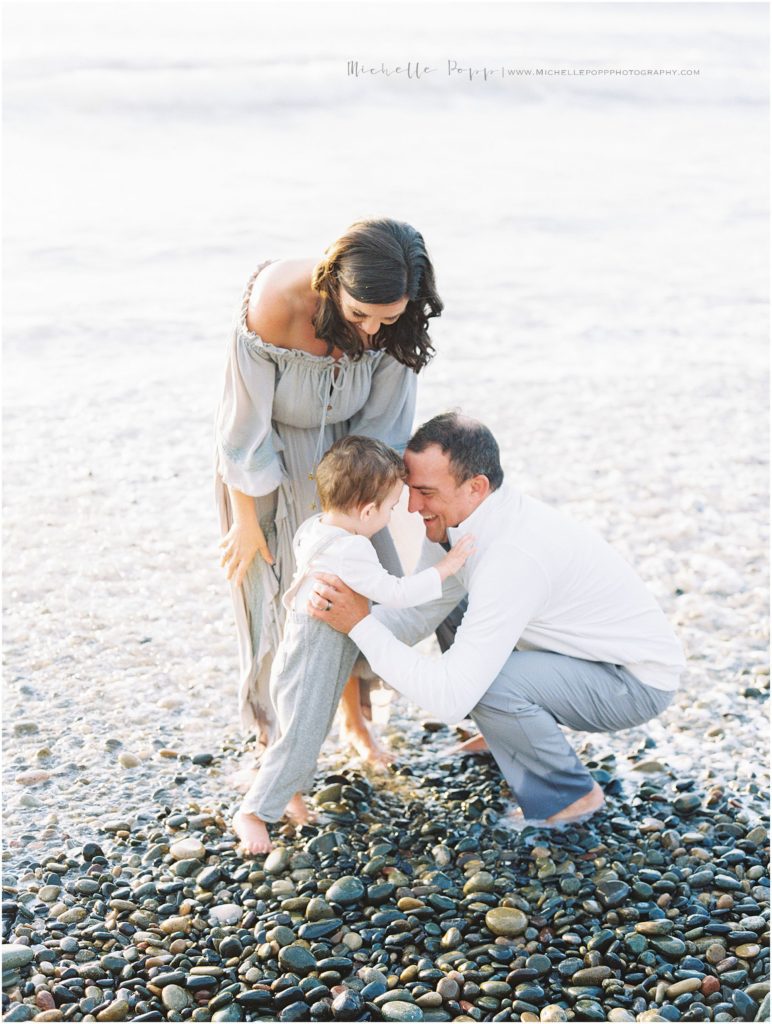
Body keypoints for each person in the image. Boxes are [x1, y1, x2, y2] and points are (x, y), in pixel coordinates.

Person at [310, 412, 686, 828]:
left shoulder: (511, 556)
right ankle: (508, 733)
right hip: (574, 653)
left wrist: (360, 624)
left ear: (477, 487)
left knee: (485, 684)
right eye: (410, 490)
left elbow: (450, 698)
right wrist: (328, 632)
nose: (413, 507)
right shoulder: (463, 521)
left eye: (425, 493)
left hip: (631, 681)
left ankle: (568, 795)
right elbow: (417, 611)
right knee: (441, 594)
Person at [215, 218, 442, 769]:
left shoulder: (395, 321)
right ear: (331, 280)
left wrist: (362, 510)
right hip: (269, 464)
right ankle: (277, 746)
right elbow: (244, 432)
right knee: (276, 599)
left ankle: (353, 720)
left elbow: (384, 427)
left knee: (352, 590)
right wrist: (247, 521)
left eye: (385, 319)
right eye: (359, 313)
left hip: (354, 470)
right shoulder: (276, 303)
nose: (369, 331)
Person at [233, 436, 473, 853]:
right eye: (390, 508)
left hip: (309, 648)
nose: (392, 516)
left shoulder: (315, 528)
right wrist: (447, 566)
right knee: (302, 735)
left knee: (303, 732)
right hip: (314, 658)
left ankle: (288, 792)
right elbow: (397, 593)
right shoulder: (354, 549)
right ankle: (253, 813)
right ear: (366, 511)